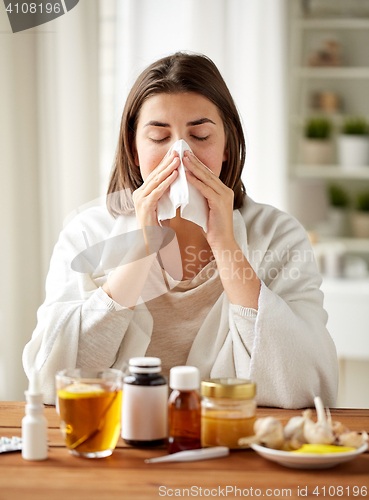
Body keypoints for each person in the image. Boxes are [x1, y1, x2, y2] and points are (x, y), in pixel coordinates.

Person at [23, 52, 338, 407]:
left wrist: (224, 243)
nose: (180, 155)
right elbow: (51, 380)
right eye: (159, 137)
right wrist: (140, 249)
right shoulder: (87, 233)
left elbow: (305, 385)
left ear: (226, 146)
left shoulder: (279, 235)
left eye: (200, 135)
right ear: (134, 148)